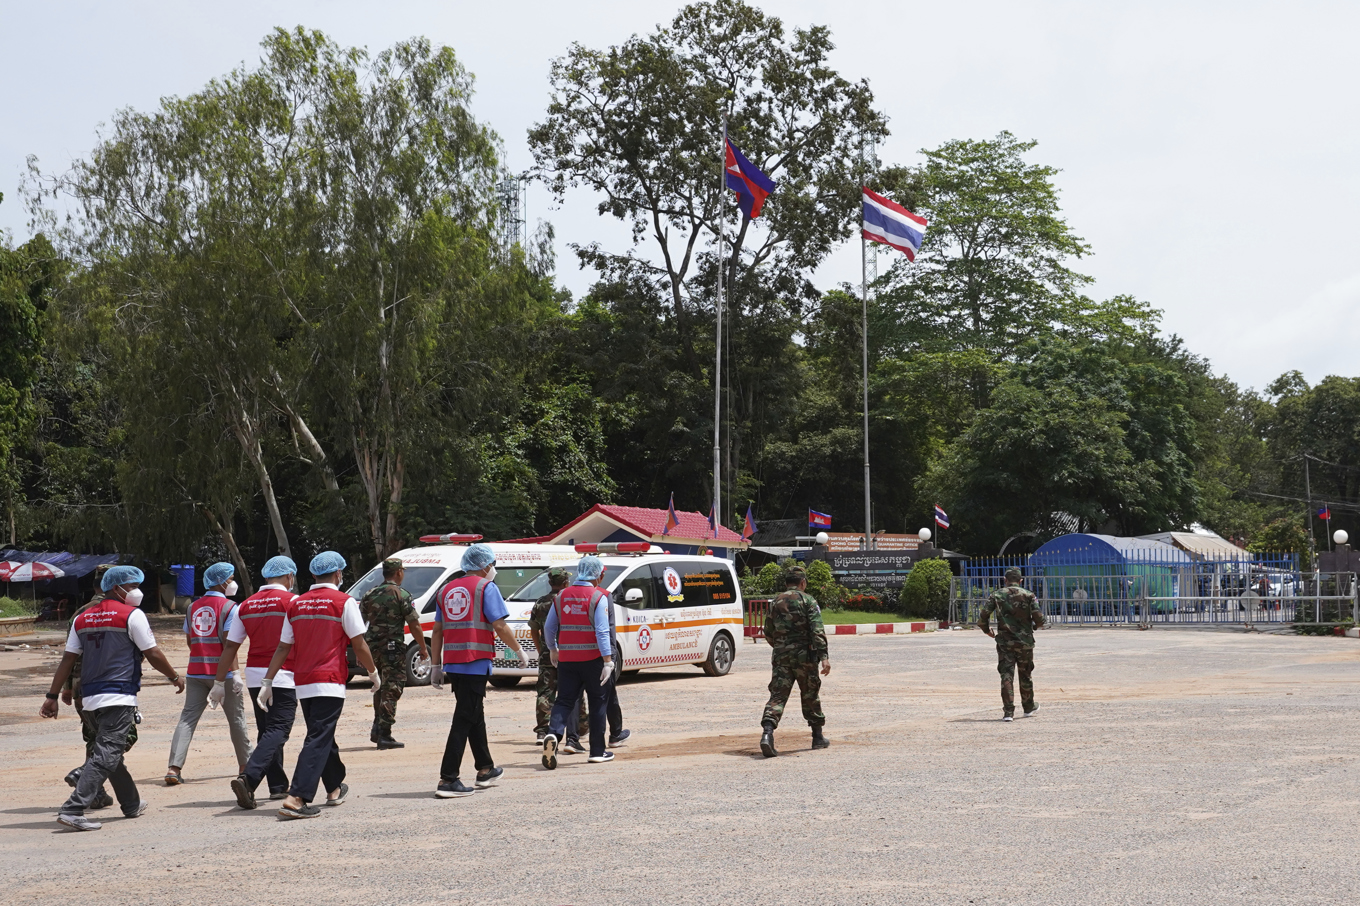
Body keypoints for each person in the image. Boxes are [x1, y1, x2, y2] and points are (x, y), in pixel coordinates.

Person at [40, 566, 187, 831]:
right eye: (132, 586)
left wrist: (52, 695)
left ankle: (131, 803)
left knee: (111, 751)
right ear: (116, 588)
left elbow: (68, 659)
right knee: (107, 752)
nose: (136, 591)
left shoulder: (81, 618)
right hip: (117, 694)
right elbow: (152, 653)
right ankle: (74, 808)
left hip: (88, 697)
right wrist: (174, 676)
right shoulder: (132, 615)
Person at [261, 551, 379, 820]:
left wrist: (269, 679)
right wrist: (372, 672)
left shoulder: (296, 604)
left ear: (313, 574)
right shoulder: (344, 602)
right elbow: (358, 643)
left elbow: (283, 646)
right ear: (339, 574)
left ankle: (334, 786)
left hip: (302, 681)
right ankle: (297, 796)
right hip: (329, 680)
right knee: (318, 736)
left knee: (321, 732)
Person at [430, 544, 527, 797]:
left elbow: (437, 630)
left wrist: (435, 665)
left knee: (474, 714)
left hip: (454, 663)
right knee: (464, 718)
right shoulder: (486, 587)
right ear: (484, 566)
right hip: (475, 662)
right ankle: (447, 779)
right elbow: (500, 625)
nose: (492, 569)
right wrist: (518, 650)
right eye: (492, 564)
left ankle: (486, 768)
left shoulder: (445, 590)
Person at [212, 555, 299, 809]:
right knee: (278, 729)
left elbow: (230, 645)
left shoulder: (245, 605)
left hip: (254, 674)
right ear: (289, 576)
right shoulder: (293, 602)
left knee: (267, 729)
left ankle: (277, 786)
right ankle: (248, 778)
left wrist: (220, 681)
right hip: (283, 674)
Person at [165, 561, 252, 785]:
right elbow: (230, 644)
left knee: (187, 720)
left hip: (196, 672)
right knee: (237, 720)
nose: (232, 583)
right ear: (222, 583)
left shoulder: (193, 607)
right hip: (223, 676)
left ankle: (173, 769)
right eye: (231, 580)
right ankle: (245, 767)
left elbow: (190, 640)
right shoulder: (231, 608)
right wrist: (236, 674)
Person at [61, 564, 136, 810]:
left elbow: (70, 655)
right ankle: (85, 775)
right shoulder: (125, 611)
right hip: (114, 685)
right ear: (115, 586)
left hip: (83, 686)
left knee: (94, 737)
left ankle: (97, 793)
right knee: (119, 737)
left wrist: (67, 688)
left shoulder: (80, 613)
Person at [541, 554, 616, 769]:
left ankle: (554, 734)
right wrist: (608, 661)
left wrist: (553, 650)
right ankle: (597, 751)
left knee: (564, 700)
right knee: (598, 701)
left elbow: (549, 628)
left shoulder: (561, 596)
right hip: (592, 659)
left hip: (567, 659)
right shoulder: (597, 597)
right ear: (597, 575)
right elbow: (602, 632)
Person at [758, 565, 830, 758]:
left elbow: (768, 632)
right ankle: (817, 737)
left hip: (781, 657)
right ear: (803, 582)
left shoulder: (776, 601)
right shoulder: (808, 600)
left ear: (786, 583)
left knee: (778, 696)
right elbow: (817, 630)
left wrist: (780, 648)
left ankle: (767, 734)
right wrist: (824, 656)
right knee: (810, 694)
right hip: (805, 658)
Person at [359, 557, 430, 750]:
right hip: (392, 647)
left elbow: (359, 624)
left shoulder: (369, 594)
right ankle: (385, 734)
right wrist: (423, 648)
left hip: (372, 647)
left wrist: (360, 649)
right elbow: (414, 624)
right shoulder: (402, 594)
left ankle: (377, 726)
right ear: (399, 572)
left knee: (379, 685)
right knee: (393, 688)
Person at [527, 567, 589, 747]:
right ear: (566, 583)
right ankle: (580, 727)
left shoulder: (540, 603)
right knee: (574, 692)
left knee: (545, 692)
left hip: (548, 653)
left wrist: (541, 650)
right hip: (570, 653)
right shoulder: (569, 600)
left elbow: (534, 629)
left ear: (549, 583)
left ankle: (543, 731)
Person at [979, 567, 1046, 721]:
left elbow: (982, 617)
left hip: (1005, 643)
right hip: (1025, 643)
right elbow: (1040, 620)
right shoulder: (1029, 595)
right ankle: (1028, 707)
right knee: (1025, 674)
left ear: (1005, 580)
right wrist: (1033, 627)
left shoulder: (996, 595)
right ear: (1021, 581)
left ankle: (1008, 712)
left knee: (1006, 676)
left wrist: (987, 631)